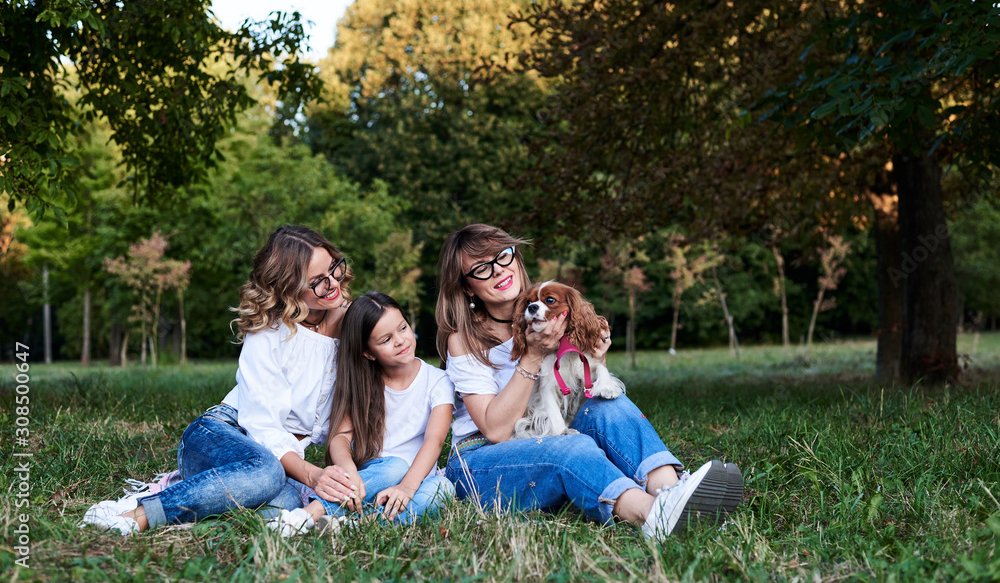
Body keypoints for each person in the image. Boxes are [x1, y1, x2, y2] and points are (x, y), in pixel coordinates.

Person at [435, 224, 742, 540]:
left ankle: (675, 492)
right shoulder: (464, 340)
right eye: (482, 268)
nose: (498, 270)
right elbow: (496, 430)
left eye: (502, 256)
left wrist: (597, 359)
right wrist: (531, 356)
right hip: (481, 462)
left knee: (609, 404)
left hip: (544, 431)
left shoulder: (551, 310)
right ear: (467, 287)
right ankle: (654, 516)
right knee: (571, 446)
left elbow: (577, 394)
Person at [82, 225, 359, 534]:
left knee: (287, 502)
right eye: (318, 282)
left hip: (280, 468)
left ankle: (200, 494)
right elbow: (264, 428)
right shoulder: (269, 333)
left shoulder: (355, 323)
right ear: (288, 289)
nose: (333, 283)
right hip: (221, 434)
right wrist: (313, 475)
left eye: (334, 268)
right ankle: (138, 516)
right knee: (267, 475)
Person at [269, 292, 455, 536]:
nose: (400, 340)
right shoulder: (364, 383)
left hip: (414, 482)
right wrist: (350, 473)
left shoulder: (438, 381)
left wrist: (407, 488)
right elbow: (340, 437)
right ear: (368, 352)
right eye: (386, 339)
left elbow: (435, 440)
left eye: (403, 328)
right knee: (395, 467)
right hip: (373, 478)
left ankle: (357, 523)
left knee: (443, 489)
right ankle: (306, 515)